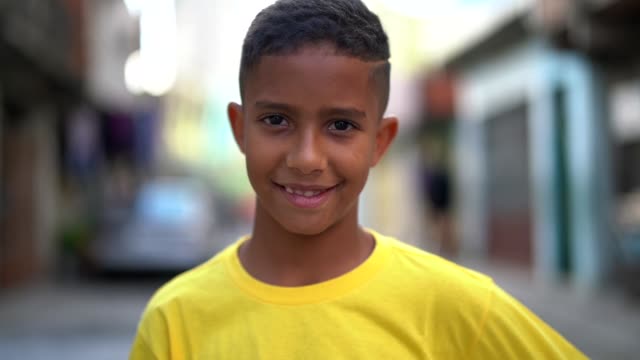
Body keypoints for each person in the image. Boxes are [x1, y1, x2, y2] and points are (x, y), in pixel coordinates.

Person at [129, 0, 586, 358]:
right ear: (239, 129)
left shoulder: (458, 307)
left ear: (379, 143)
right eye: (276, 120)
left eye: (341, 126)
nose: (307, 158)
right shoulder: (176, 319)